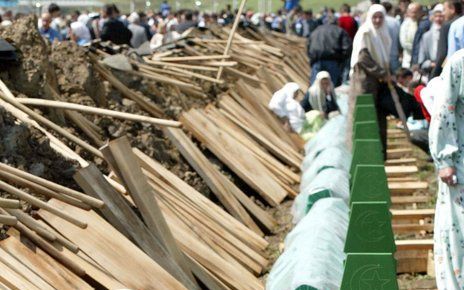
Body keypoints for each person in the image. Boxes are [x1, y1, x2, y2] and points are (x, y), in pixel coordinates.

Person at [428, 48, 464, 290]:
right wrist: (445, 159)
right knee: (459, 228)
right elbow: (444, 108)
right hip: (460, 159)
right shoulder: (459, 63)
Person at [351, 4, 391, 156]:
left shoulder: (382, 33)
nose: (378, 20)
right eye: (375, 17)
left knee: (379, 115)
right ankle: (366, 152)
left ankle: (380, 151)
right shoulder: (366, 32)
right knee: (366, 115)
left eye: (380, 17)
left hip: (378, 80)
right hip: (365, 80)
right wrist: (381, 73)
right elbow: (363, 58)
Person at [308, 18, 352, 86]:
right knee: (331, 87)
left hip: (317, 61)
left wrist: (312, 59)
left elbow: (308, 46)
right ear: (337, 23)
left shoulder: (316, 30)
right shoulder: (340, 30)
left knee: (315, 86)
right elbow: (347, 48)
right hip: (333, 61)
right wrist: (341, 60)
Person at [432, 0, 462, 77]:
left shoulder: (448, 26)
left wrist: (433, 75)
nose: (443, 13)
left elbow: (442, 55)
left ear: (452, 9)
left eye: (444, 10)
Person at [418, 4, 444, 79]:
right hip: (432, 73)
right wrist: (431, 64)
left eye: (441, 16)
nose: (438, 19)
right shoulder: (426, 36)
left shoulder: (449, 33)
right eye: (436, 16)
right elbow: (421, 61)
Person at [399, 3, 421, 68]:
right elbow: (403, 43)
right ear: (408, 12)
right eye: (412, 12)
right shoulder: (405, 25)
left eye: (416, 12)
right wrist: (416, 49)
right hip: (408, 59)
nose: (414, 14)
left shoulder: (422, 23)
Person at [382, 1, 401, 73]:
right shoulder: (395, 21)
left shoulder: (379, 21)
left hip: (382, 55)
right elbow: (399, 38)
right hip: (394, 53)